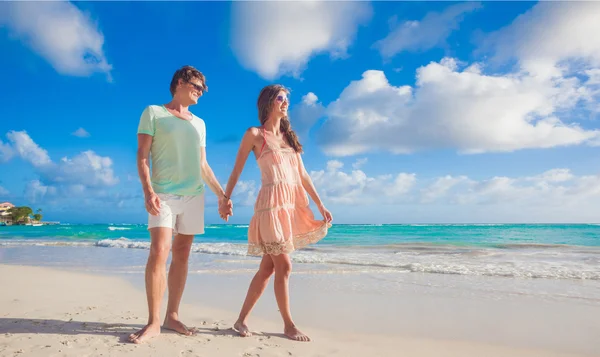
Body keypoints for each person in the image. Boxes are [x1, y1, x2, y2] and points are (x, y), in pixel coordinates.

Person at [220, 84, 333, 342]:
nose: (285, 103)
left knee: (268, 269)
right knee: (284, 264)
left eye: (287, 100)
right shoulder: (255, 134)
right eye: (281, 99)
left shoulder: (289, 138)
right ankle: (289, 325)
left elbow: (303, 175)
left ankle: (240, 321)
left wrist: (320, 204)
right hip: (270, 206)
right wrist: (226, 199)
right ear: (269, 101)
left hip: (289, 206)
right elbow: (236, 169)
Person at [129, 65, 233, 344]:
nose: (201, 91)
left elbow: (202, 165)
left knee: (183, 254)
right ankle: (153, 322)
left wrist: (222, 195)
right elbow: (142, 156)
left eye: (203, 88)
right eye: (197, 85)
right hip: (162, 194)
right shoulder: (154, 112)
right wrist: (148, 191)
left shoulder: (199, 123)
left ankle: (171, 315)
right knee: (160, 251)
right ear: (179, 83)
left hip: (193, 195)